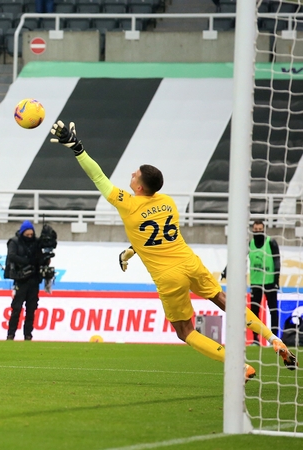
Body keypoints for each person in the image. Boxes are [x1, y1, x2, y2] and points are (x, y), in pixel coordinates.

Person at [50, 120, 298, 379]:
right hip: (190, 262)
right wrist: (131, 251)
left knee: (185, 331)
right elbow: (154, 235)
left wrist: (77, 148)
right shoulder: (168, 202)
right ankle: (272, 339)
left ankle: (237, 365)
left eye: (134, 175)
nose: (131, 175)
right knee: (225, 301)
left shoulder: (128, 204)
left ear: (139, 187)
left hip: (169, 276)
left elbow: (98, 177)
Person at [221, 219, 281, 344]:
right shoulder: (250, 244)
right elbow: (238, 257)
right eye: (256, 230)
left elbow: (277, 261)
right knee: (254, 310)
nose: (258, 232)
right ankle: (255, 339)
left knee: (273, 310)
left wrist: (276, 279)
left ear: (264, 230)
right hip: (256, 282)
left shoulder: (271, 243)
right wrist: (226, 270)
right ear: (253, 230)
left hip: (270, 282)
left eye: (260, 230)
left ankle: (275, 339)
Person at [4, 220, 43, 341]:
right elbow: (11, 255)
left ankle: (28, 335)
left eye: (31, 235)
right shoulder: (14, 242)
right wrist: (26, 261)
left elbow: (40, 257)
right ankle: (11, 334)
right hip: (20, 279)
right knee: (17, 308)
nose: (30, 237)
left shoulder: (36, 243)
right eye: (27, 235)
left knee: (31, 309)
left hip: (34, 279)